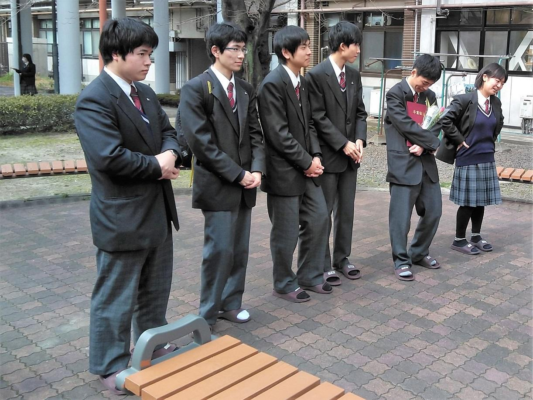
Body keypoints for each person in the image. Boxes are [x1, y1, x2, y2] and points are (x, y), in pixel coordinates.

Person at [74, 18, 182, 395]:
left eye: (150, 54)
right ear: (116, 53)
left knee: (155, 288)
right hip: (121, 217)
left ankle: (152, 342)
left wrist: (169, 152)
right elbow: (108, 157)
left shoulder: (145, 93)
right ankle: (109, 363)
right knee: (115, 296)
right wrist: (157, 165)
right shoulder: (95, 99)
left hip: (155, 210)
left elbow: (170, 132)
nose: (149, 61)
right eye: (142, 54)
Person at [180, 22, 265, 327]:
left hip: (245, 184)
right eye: (235, 49)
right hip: (218, 184)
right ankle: (207, 313)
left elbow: (256, 133)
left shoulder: (244, 89)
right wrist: (238, 173)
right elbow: (200, 143)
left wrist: (256, 168)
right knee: (218, 251)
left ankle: (231, 303)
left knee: (239, 250)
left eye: (244, 49)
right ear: (216, 51)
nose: (242, 55)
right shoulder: (195, 88)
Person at [258, 25, 330, 303]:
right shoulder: (272, 84)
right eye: (304, 47)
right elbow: (277, 134)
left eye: (309, 45)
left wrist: (316, 157)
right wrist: (306, 162)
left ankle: (310, 275)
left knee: (319, 219)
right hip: (284, 173)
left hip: (307, 169)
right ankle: (284, 283)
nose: (310, 51)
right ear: (286, 52)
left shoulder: (302, 81)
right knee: (286, 233)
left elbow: (309, 124)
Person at [307, 21, 367, 286]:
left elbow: (360, 113)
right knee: (324, 212)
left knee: (347, 212)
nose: (359, 50)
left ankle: (342, 259)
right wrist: (343, 143)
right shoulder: (316, 75)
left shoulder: (354, 75)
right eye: (356, 45)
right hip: (329, 156)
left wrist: (360, 140)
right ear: (343, 46)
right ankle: (322, 263)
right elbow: (317, 117)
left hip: (351, 157)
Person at [436, 63, 506, 255]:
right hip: (468, 157)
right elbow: (445, 120)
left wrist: (489, 142)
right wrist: (459, 139)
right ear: (485, 77)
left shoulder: (496, 103)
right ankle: (459, 240)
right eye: (497, 80)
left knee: (481, 201)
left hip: (487, 156)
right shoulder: (465, 99)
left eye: (502, 83)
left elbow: (498, 123)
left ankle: (475, 236)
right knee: (467, 202)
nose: (499, 85)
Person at [384, 54, 443, 281]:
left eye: (430, 84)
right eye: (424, 82)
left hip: (425, 162)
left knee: (434, 211)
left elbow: (436, 122)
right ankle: (400, 260)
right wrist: (429, 142)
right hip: (403, 163)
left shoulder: (430, 96)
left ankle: (418, 252)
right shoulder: (395, 93)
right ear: (414, 72)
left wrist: (424, 145)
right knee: (400, 218)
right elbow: (403, 123)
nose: (425, 87)